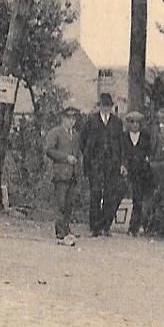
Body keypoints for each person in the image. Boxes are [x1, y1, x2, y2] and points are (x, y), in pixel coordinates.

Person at [79, 92, 126, 236]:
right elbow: (83, 140)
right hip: (96, 163)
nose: (106, 109)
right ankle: (94, 227)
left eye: (108, 106)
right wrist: (90, 157)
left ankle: (106, 226)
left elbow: (121, 144)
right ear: (99, 106)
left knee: (110, 194)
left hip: (112, 164)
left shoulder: (117, 122)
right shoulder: (91, 120)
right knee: (95, 193)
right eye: (103, 106)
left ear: (111, 107)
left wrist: (121, 163)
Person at [44, 106, 83, 245]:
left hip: (72, 174)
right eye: (69, 118)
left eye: (74, 119)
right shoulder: (55, 133)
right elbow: (49, 150)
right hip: (61, 173)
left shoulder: (76, 135)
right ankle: (60, 231)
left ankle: (66, 229)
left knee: (69, 204)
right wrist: (66, 157)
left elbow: (78, 153)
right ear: (63, 118)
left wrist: (78, 169)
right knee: (60, 203)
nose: (71, 121)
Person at [122, 111, 157, 237]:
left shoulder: (145, 136)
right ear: (128, 124)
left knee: (144, 199)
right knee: (136, 198)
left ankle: (141, 225)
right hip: (131, 171)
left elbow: (149, 151)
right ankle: (134, 226)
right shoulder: (124, 137)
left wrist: (147, 159)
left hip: (144, 172)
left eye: (137, 122)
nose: (135, 125)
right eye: (132, 122)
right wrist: (124, 165)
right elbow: (123, 154)